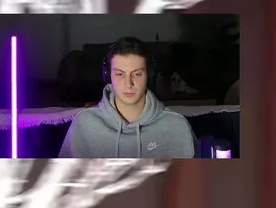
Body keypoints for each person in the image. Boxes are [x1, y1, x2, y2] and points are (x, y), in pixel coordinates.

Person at [58, 37, 196, 158]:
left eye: (137, 74)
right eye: (120, 74)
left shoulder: (177, 126)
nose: (129, 84)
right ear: (108, 76)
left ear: (149, 75)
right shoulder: (84, 123)